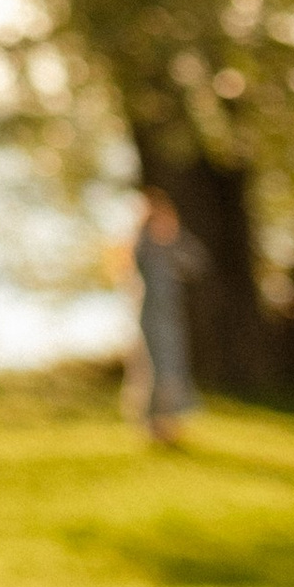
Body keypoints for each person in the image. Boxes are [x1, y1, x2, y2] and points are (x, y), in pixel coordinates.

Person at [128, 186, 205, 446]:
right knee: (155, 368)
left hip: (172, 317)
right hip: (150, 316)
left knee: (174, 367)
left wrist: (176, 235)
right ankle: (153, 427)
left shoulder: (172, 242)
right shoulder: (143, 244)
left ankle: (171, 426)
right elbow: (136, 265)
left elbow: (197, 264)